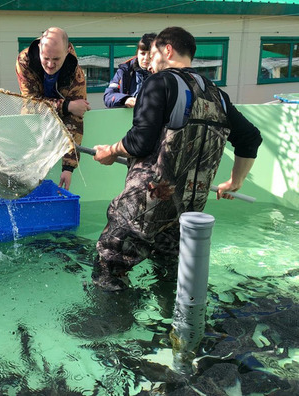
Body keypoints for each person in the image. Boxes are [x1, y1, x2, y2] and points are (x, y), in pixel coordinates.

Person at [91, 27, 263, 291]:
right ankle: (171, 327)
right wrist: (235, 181)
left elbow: (140, 141)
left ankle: (109, 328)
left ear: (167, 50)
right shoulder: (218, 95)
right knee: (170, 273)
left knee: (109, 265)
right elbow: (250, 138)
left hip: (147, 204)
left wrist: (110, 151)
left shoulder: (159, 82)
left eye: (153, 54)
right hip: (187, 212)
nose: (149, 62)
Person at [16, 27, 91, 190]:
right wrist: (66, 105)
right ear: (40, 51)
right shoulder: (25, 61)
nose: (50, 65)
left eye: (56, 59)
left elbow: (76, 117)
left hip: (58, 116)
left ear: (67, 52)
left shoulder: (75, 74)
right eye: (46, 58)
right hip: (35, 124)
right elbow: (30, 104)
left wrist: (68, 167)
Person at [104, 33, 157, 109]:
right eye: (142, 53)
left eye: (151, 54)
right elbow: (108, 96)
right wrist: (125, 99)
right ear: (137, 53)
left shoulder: (165, 73)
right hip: (128, 119)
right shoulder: (124, 71)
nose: (146, 58)